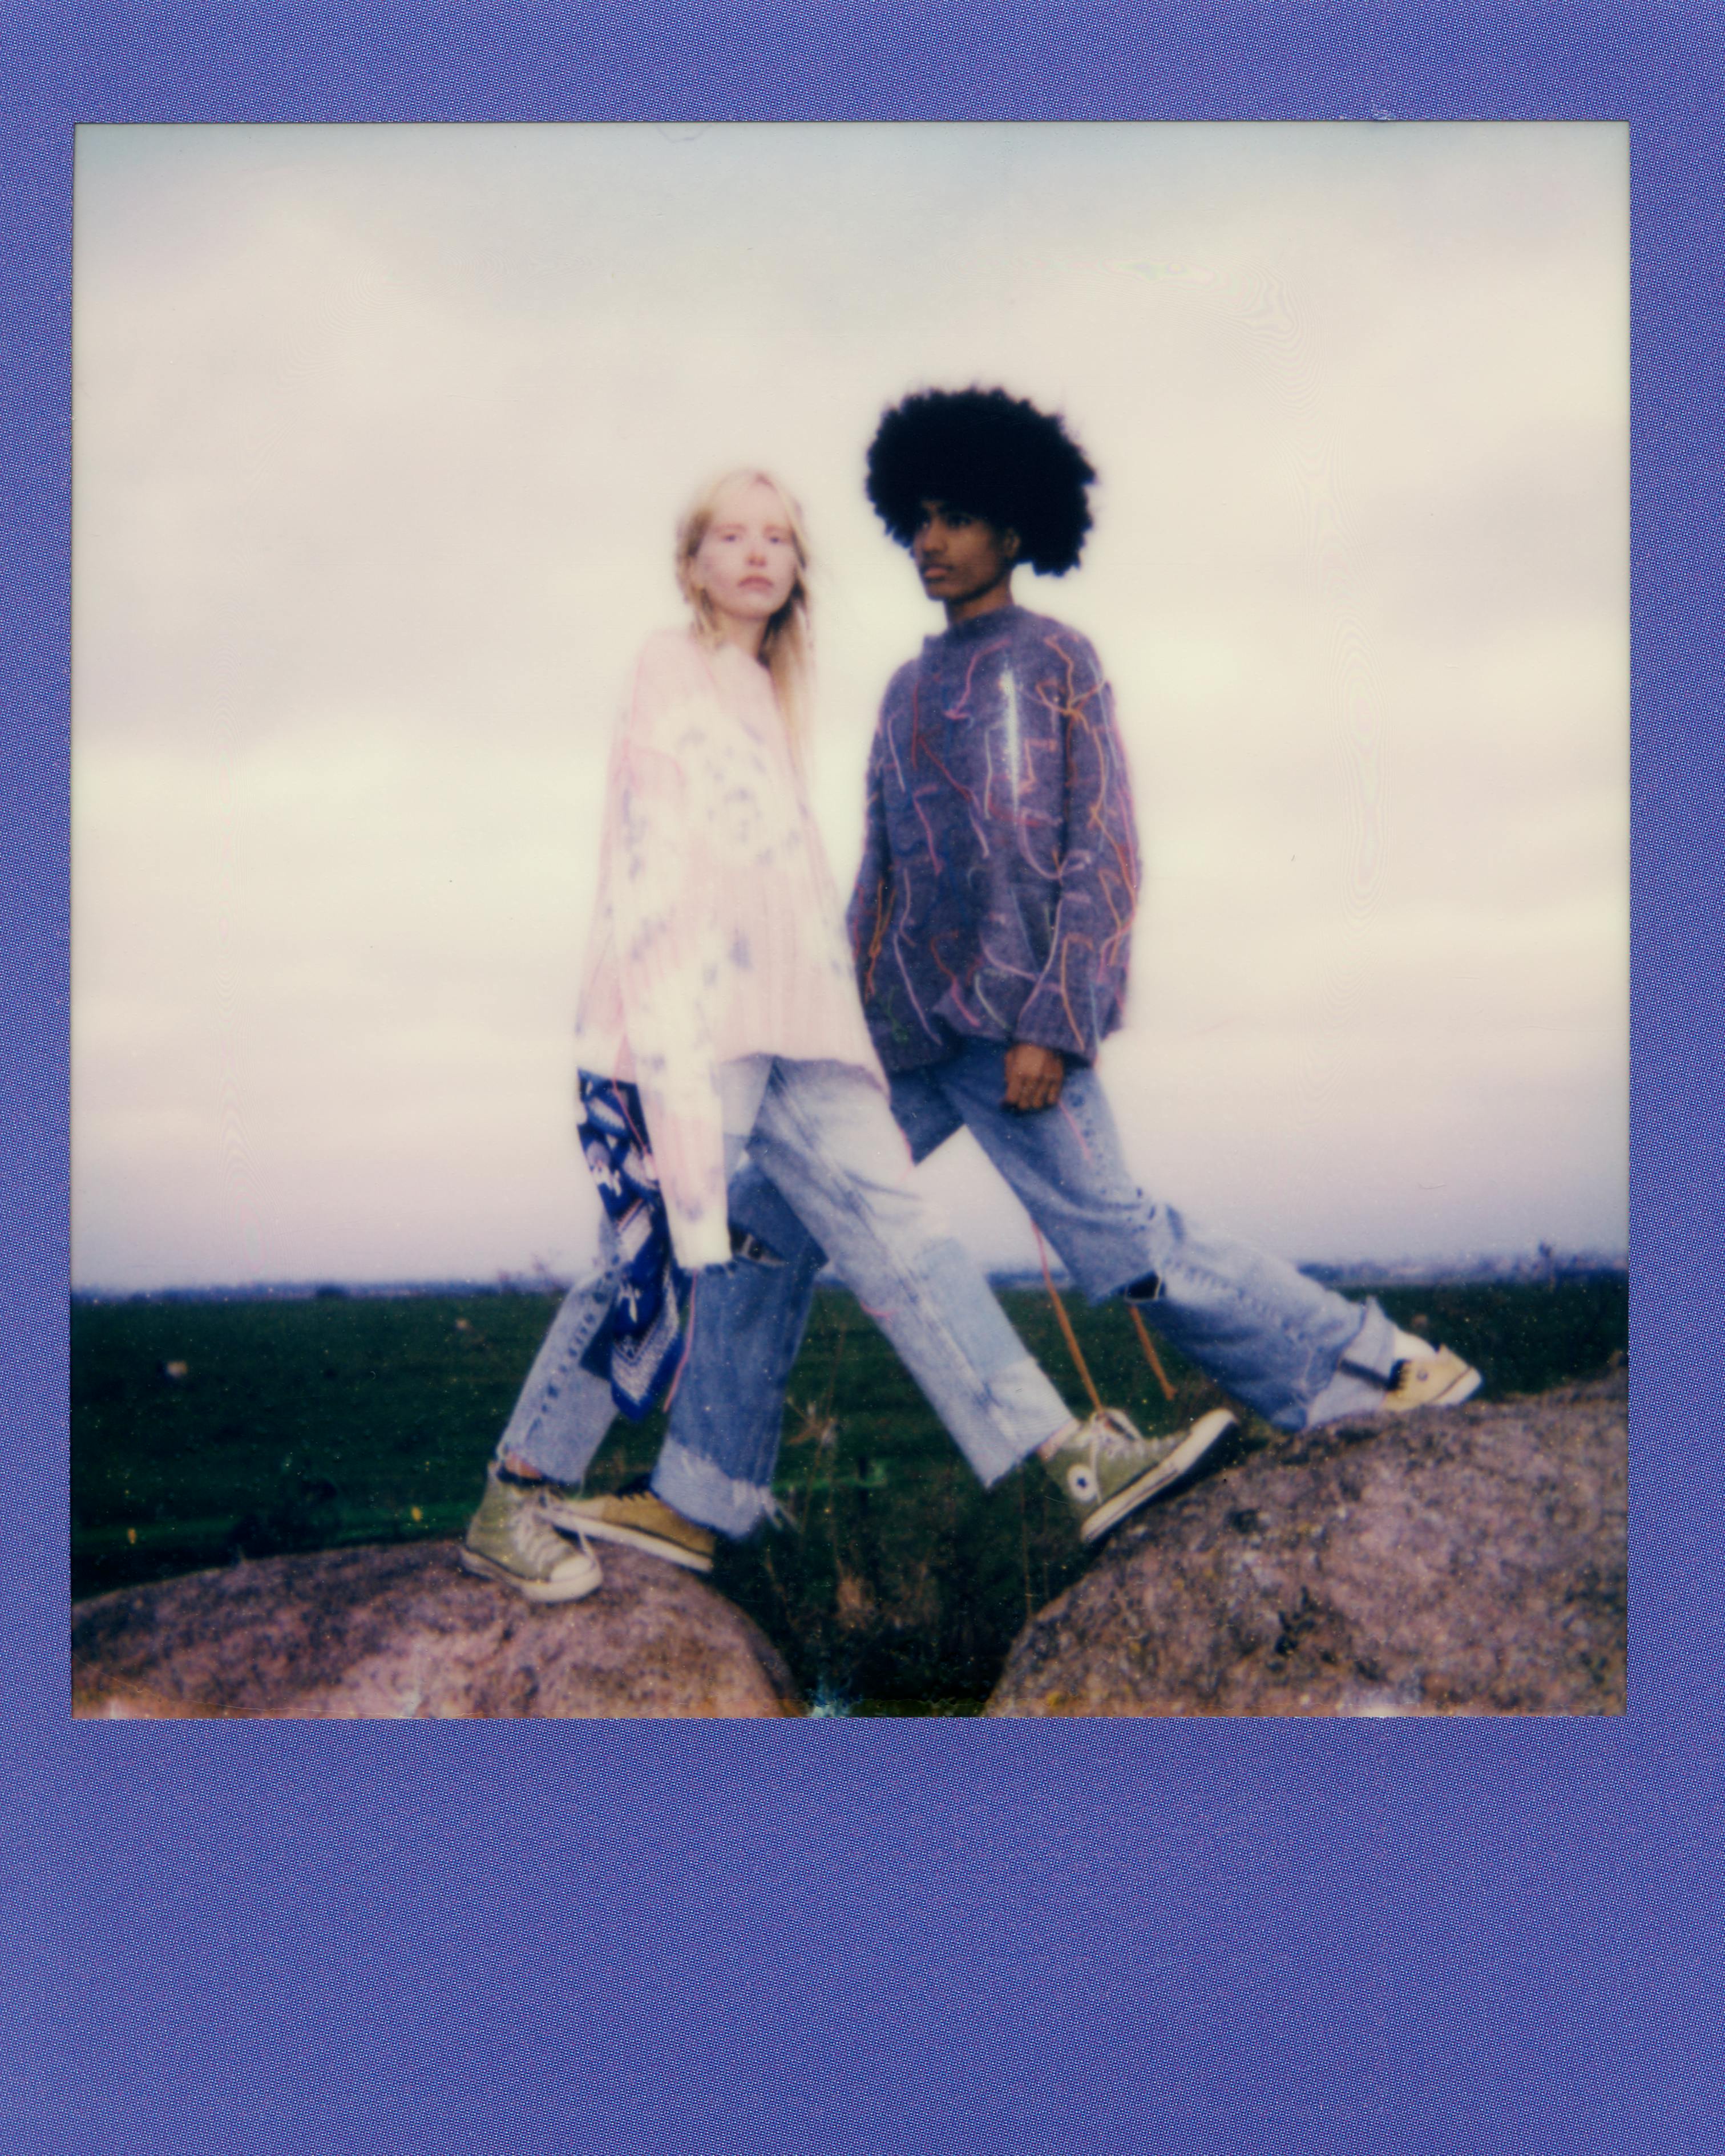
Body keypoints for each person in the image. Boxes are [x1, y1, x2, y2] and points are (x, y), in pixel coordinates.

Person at [543, 391, 1482, 1574]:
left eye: (960, 518)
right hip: (893, 1045)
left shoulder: (1060, 665)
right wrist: (823, 1034)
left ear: (1018, 530)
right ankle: (702, 1494)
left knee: (1125, 1249)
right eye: (919, 519)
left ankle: (1379, 1363)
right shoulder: (899, 691)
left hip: (1020, 1042)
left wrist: (1056, 1019)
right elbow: (873, 884)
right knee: (763, 1229)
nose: (931, 542)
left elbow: (1106, 854)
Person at [460, 465, 1234, 1602]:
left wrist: (847, 1028)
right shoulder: (667, 668)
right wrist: (660, 1048)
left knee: (905, 1239)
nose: (759, 554)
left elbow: (781, 891)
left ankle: (1072, 1458)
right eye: (732, 536)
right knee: (659, 1253)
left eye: (779, 537)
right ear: (692, 565)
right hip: (697, 1025)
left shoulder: (768, 695)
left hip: (804, 1035)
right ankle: (513, 1498)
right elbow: (651, 861)